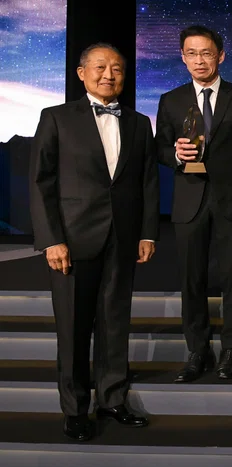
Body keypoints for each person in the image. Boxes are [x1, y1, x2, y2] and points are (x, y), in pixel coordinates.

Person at [29, 43, 158, 441]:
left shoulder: (139, 123)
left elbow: (147, 182)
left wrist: (147, 231)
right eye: (100, 67)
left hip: (123, 236)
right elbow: (41, 182)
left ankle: (112, 398)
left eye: (117, 68)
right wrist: (51, 240)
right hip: (72, 240)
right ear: (81, 73)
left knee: (115, 322)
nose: (109, 75)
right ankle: (74, 409)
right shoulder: (56, 118)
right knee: (73, 326)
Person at [156, 25, 232, 383]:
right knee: (192, 279)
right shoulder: (170, 100)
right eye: (191, 53)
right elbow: (160, 148)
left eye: (206, 53)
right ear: (183, 57)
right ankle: (197, 350)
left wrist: (225, 171)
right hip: (189, 201)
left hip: (231, 198)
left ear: (220, 55)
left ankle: (231, 348)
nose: (199, 60)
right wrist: (175, 154)